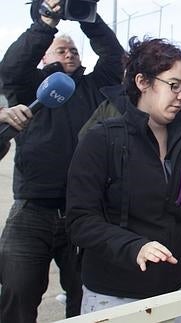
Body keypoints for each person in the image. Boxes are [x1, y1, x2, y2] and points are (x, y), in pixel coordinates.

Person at [65, 37, 181, 321]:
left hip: (178, 291)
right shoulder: (102, 139)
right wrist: (134, 246)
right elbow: (80, 220)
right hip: (114, 297)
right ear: (143, 82)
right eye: (174, 85)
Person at [0, 0, 124, 320]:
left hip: (82, 211)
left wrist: (89, 18)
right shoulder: (29, 86)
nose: (69, 54)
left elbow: (114, 57)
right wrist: (46, 25)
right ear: (44, 57)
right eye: (61, 50)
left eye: (73, 51)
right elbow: (12, 67)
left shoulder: (94, 87)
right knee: (17, 291)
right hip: (32, 210)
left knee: (84, 295)